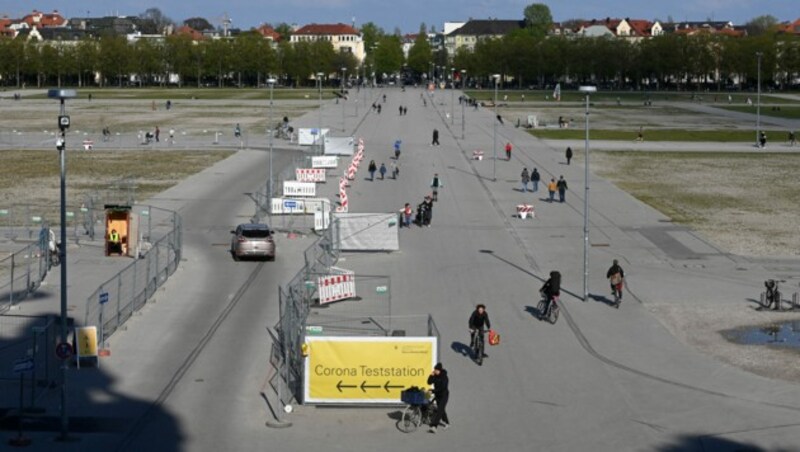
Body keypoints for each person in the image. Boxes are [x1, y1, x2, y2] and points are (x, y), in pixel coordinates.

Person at [427, 363, 450, 433]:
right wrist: (431, 375)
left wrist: (433, 391)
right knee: (442, 410)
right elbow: (429, 382)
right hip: (437, 395)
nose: (435, 371)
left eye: (436, 370)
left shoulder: (445, 378)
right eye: (435, 369)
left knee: (439, 409)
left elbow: (442, 388)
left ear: (440, 370)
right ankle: (447, 423)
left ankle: (434, 426)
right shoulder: (435, 376)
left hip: (444, 395)